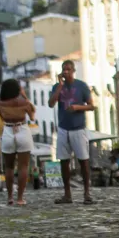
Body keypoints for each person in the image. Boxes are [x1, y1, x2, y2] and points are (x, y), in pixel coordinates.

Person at [49, 60, 95, 205]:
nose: (66, 72)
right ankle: (67, 194)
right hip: (63, 128)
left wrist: (77, 108)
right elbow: (51, 104)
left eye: (69, 69)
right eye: (64, 69)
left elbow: (92, 106)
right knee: (64, 162)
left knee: (83, 161)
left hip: (78, 128)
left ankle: (87, 193)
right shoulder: (57, 86)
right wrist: (59, 86)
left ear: (73, 70)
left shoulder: (81, 86)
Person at [0, 78, 36, 206]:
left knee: (9, 167)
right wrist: (25, 96)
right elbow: (33, 117)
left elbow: (1, 117)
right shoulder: (24, 103)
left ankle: (10, 197)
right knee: (23, 166)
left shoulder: (0, 104)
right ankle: (20, 198)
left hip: (8, 131)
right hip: (22, 130)